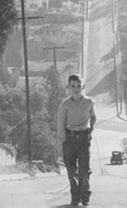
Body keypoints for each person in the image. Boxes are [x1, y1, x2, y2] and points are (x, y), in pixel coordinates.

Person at [57, 74, 97, 206]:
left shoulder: (89, 102)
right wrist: (63, 141)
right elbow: (61, 124)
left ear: (83, 87)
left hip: (84, 140)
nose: (76, 88)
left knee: (84, 171)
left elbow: (93, 117)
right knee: (71, 171)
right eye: (73, 86)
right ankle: (75, 197)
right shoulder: (65, 104)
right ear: (68, 87)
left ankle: (85, 196)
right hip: (69, 140)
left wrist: (91, 128)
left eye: (79, 86)